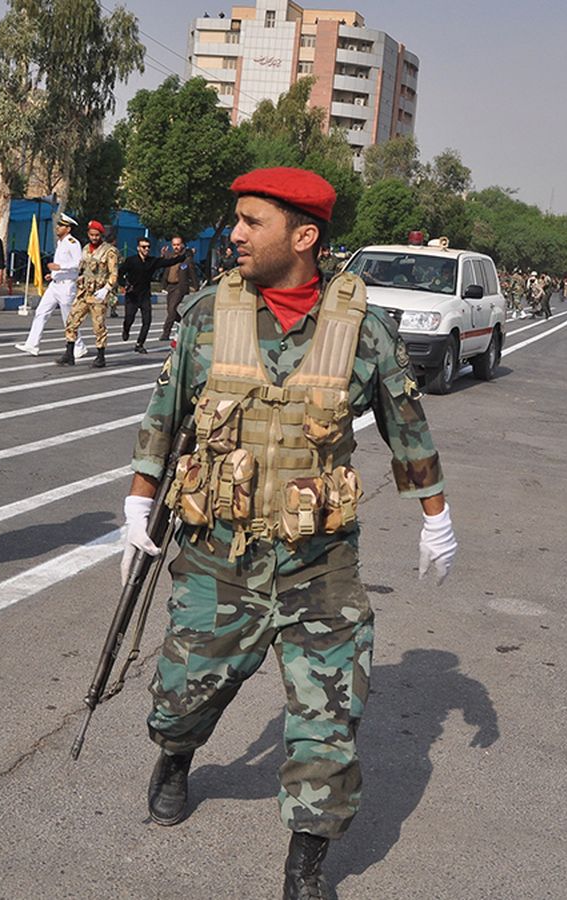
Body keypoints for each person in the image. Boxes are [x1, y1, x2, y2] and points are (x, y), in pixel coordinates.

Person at [121, 167, 457, 899]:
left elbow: (408, 427)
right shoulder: (210, 313)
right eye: (236, 220)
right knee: (179, 701)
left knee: (328, 725)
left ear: (303, 237)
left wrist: (437, 517)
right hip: (218, 559)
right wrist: (138, 504)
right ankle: (176, 757)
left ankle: (306, 865)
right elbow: (166, 412)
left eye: (251, 222)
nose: (235, 234)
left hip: (320, 568)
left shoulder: (364, 330)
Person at [14, 213, 85, 358]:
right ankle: (32, 344)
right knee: (41, 312)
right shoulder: (60, 242)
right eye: (58, 225)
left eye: (61, 226)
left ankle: (79, 346)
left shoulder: (73, 243)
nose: (57, 228)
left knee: (68, 318)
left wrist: (60, 267)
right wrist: (52, 274)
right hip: (55, 284)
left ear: (68, 229)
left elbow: (79, 263)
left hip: (66, 286)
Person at [56, 221, 119, 368]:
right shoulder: (85, 249)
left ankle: (100, 356)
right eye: (91, 235)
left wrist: (106, 289)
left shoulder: (109, 251)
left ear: (101, 235)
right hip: (84, 292)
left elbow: (114, 273)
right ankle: (69, 353)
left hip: (98, 293)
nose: (94, 238)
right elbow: (82, 269)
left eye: (97, 235)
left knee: (98, 325)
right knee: (72, 320)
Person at [118, 236, 187, 353]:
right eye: (143, 247)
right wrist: (124, 284)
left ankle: (140, 344)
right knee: (129, 318)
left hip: (145, 295)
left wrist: (184, 256)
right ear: (138, 248)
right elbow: (120, 273)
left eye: (148, 247)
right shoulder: (131, 261)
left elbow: (168, 262)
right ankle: (126, 329)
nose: (146, 249)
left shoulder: (152, 261)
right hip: (132, 295)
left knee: (147, 320)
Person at [158, 234, 200, 341]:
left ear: (182, 245)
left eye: (178, 244)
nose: (176, 247)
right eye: (174, 245)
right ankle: (185, 323)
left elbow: (192, 273)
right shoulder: (169, 256)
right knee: (170, 310)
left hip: (180, 287)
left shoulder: (186, 258)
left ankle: (165, 333)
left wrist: (196, 287)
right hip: (170, 286)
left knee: (172, 309)